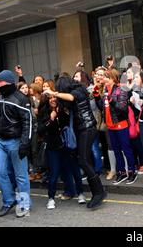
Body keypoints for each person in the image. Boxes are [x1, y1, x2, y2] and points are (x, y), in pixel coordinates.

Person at [44, 76, 106, 209]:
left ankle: (99, 192)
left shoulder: (77, 92)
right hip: (85, 129)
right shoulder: (76, 91)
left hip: (87, 128)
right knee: (85, 161)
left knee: (84, 161)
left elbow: (71, 98)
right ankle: (98, 192)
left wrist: (53, 93)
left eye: (60, 89)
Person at [0, 70, 33, 217]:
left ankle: (24, 204)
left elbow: (28, 123)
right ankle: (9, 201)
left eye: (0, 81)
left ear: (8, 82)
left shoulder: (21, 99)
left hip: (15, 142)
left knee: (21, 176)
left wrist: (24, 144)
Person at [37, 94, 86, 209]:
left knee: (75, 171)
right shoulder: (44, 112)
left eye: (54, 97)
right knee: (54, 174)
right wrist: (51, 118)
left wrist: (64, 113)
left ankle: (80, 194)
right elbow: (40, 130)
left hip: (68, 146)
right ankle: (51, 198)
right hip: (53, 148)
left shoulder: (64, 109)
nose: (53, 99)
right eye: (50, 98)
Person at [94, 69, 138, 185]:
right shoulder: (105, 91)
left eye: (105, 77)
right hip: (110, 126)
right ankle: (121, 172)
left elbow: (123, 109)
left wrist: (111, 100)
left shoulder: (121, 90)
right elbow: (102, 108)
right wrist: (97, 97)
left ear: (112, 79)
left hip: (121, 125)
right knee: (117, 151)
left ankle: (132, 172)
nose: (103, 79)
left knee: (126, 150)